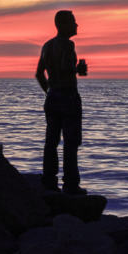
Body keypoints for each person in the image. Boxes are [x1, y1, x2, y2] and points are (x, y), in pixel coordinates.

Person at [35, 10, 88, 194]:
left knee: (51, 141)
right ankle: (70, 184)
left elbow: (39, 74)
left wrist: (49, 91)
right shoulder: (67, 45)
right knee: (71, 142)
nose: (76, 25)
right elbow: (66, 68)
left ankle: (49, 181)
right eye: (73, 21)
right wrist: (77, 69)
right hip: (68, 97)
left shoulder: (46, 46)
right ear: (63, 25)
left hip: (53, 98)